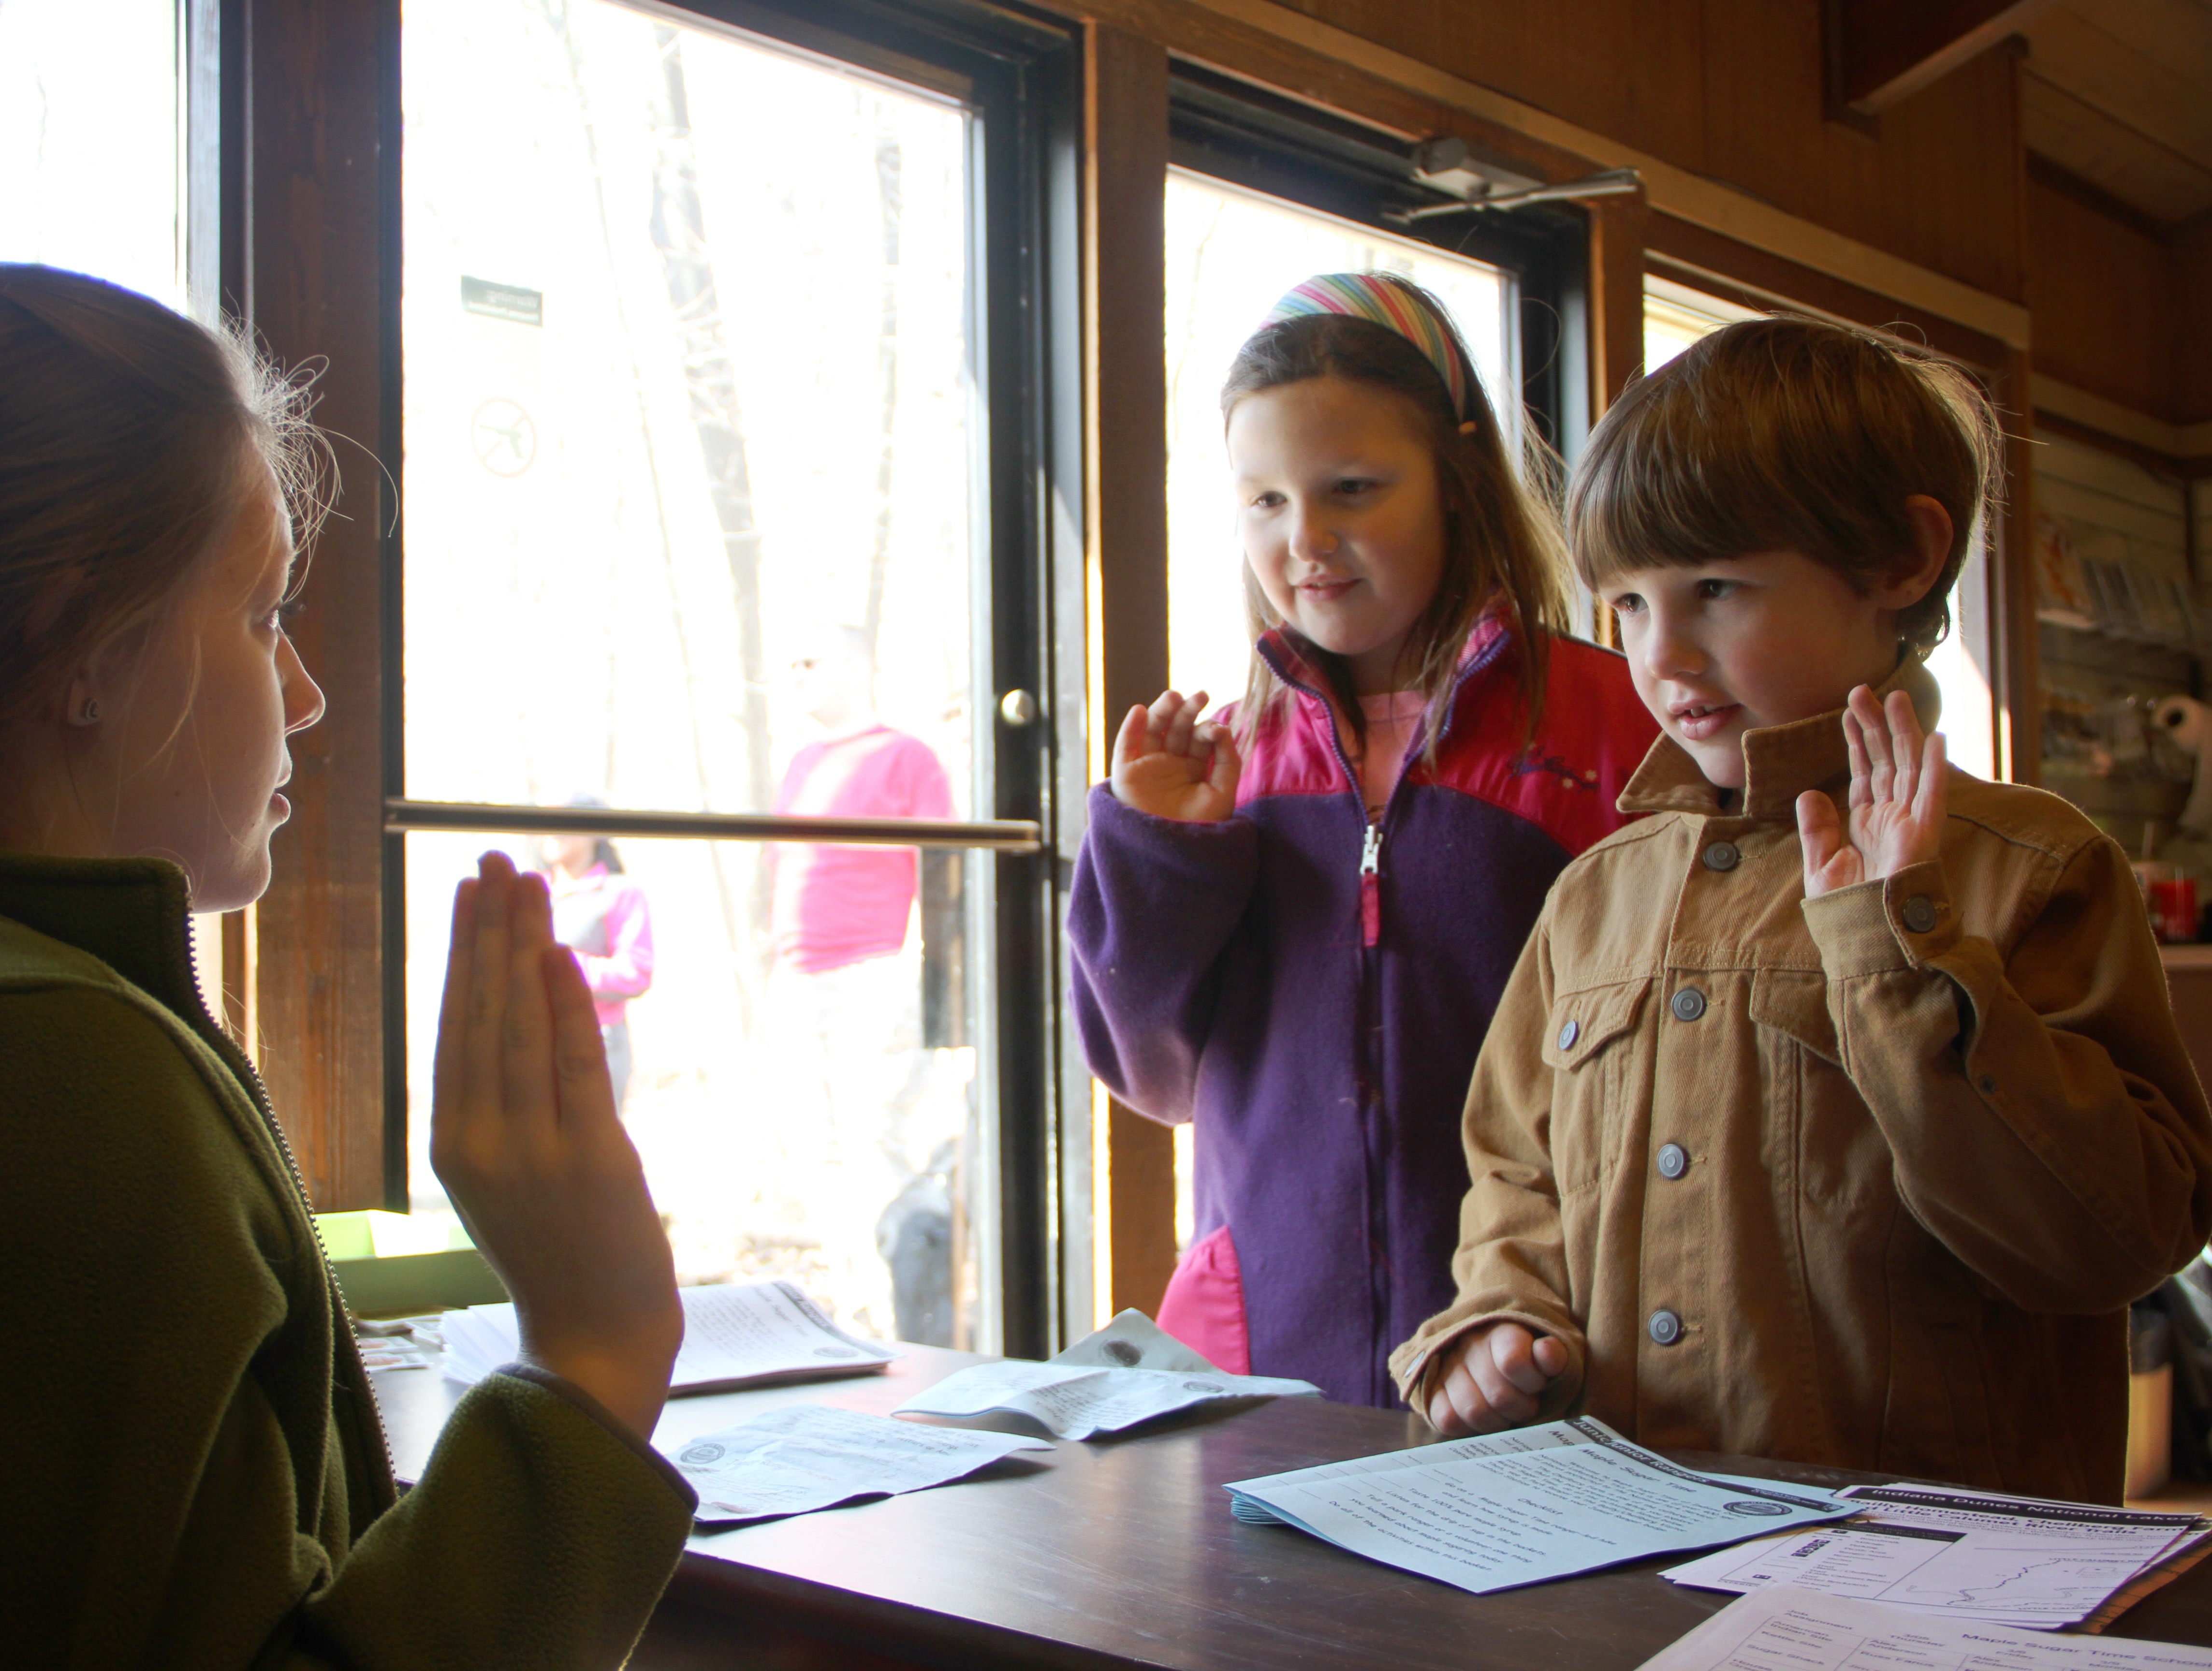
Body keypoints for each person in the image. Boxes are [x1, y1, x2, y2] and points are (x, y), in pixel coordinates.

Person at [0, 264, 693, 1661]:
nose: (306, 691)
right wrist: (591, 1356)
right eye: (262, 612)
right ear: (76, 651)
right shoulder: (16, 1065)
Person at [1394, 315, 2212, 1505]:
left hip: (1932, 1571)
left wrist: (1895, 948)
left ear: (1898, 559)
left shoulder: (2029, 869)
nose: (1659, 653)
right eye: (1623, 604)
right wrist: (1498, 1319)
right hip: (1626, 1535)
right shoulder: (1594, 892)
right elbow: (1514, 1167)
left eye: (1714, 587)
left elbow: (2114, 1235)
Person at [1067, 274, 1660, 1406]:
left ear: (1458, 475)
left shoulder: (1614, 729)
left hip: (1538, 1355)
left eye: (1351, 488)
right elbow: (1151, 1074)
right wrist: (1154, 848)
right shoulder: (1223, 765)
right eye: (1265, 501)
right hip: (1264, 1366)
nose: (1306, 541)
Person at [767, 622, 956, 1340]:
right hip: (795, 979)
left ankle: (902, 1326)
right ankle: (853, 1317)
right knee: (816, 1150)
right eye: (788, 665)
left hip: (873, 976)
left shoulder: (906, 756)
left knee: (876, 1141)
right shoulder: (800, 764)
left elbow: (942, 874)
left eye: (807, 661)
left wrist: (928, 983)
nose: (795, 676)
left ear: (854, 666)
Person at [535, 805, 654, 1114]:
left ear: (594, 831)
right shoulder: (531, 892)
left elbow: (636, 972)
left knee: (590, 1153)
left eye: (561, 820)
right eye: (543, 819)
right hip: (531, 1040)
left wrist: (563, 966)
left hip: (594, 1042)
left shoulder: (619, 892)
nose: (551, 831)